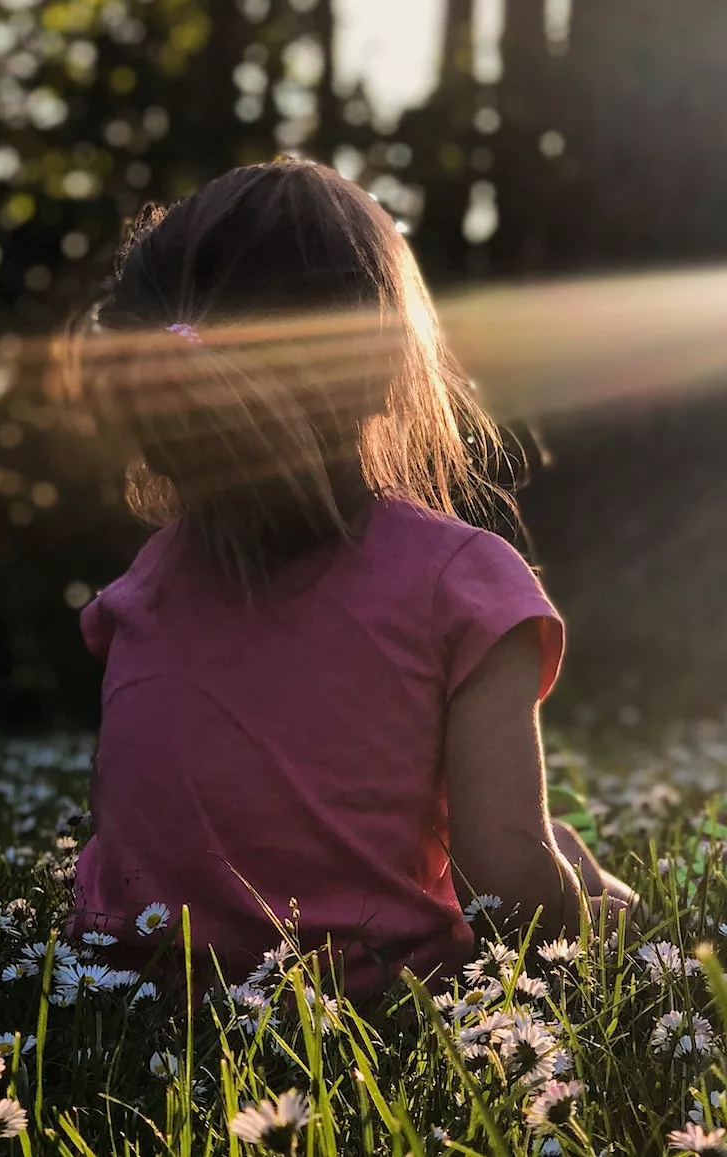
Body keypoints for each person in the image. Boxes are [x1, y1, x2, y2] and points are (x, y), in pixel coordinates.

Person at [64, 159, 635, 997]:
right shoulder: (462, 584)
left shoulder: (142, 587)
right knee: (565, 863)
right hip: (369, 1005)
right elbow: (509, 889)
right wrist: (600, 916)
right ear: (380, 367)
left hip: (132, 992)